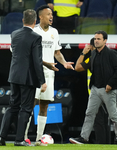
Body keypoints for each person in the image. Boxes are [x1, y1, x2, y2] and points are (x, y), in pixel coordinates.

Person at [24, 5, 74, 146]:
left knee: (44, 105)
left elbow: (57, 53)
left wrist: (64, 63)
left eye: (51, 14)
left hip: (49, 73)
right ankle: (24, 136)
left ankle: (39, 139)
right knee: (31, 103)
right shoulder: (33, 31)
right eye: (48, 14)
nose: (51, 16)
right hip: (34, 73)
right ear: (40, 16)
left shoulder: (54, 32)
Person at [0, 9, 47, 146]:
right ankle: (19, 139)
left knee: (12, 106)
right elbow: (37, 61)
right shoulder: (36, 37)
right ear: (35, 21)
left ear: (22, 21)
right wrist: (42, 81)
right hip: (28, 78)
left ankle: (1, 137)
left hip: (14, 76)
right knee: (25, 108)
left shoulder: (14, 34)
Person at [69, 30, 117, 144]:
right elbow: (78, 67)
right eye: (95, 39)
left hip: (108, 89)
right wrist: (83, 53)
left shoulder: (111, 53)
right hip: (95, 89)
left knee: (113, 115)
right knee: (89, 113)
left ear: (105, 41)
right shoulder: (93, 54)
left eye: (99, 39)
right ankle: (84, 137)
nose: (96, 41)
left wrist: (110, 84)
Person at [74, 38, 109, 144]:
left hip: (96, 94)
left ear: (92, 47)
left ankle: (100, 144)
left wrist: (83, 53)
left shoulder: (93, 58)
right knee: (104, 121)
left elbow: (77, 67)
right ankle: (106, 143)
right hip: (107, 93)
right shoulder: (108, 56)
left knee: (98, 121)